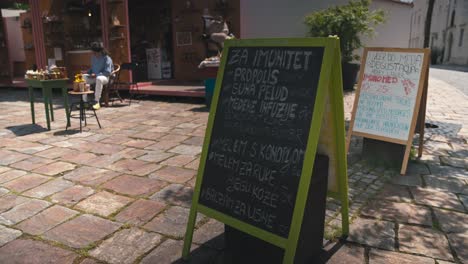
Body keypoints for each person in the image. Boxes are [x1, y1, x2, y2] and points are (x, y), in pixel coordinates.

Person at [82, 42, 113, 110]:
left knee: (99, 79)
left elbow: (107, 72)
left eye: (95, 53)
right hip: (94, 77)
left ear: (100, 51)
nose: (94, 54)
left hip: (105, 78)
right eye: (93, 53)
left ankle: (96, 101)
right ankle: (84, 102)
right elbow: (93, 68)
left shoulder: (107, 58)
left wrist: (96, 75)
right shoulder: (93, 58)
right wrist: (87, 72)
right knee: (83, 76)